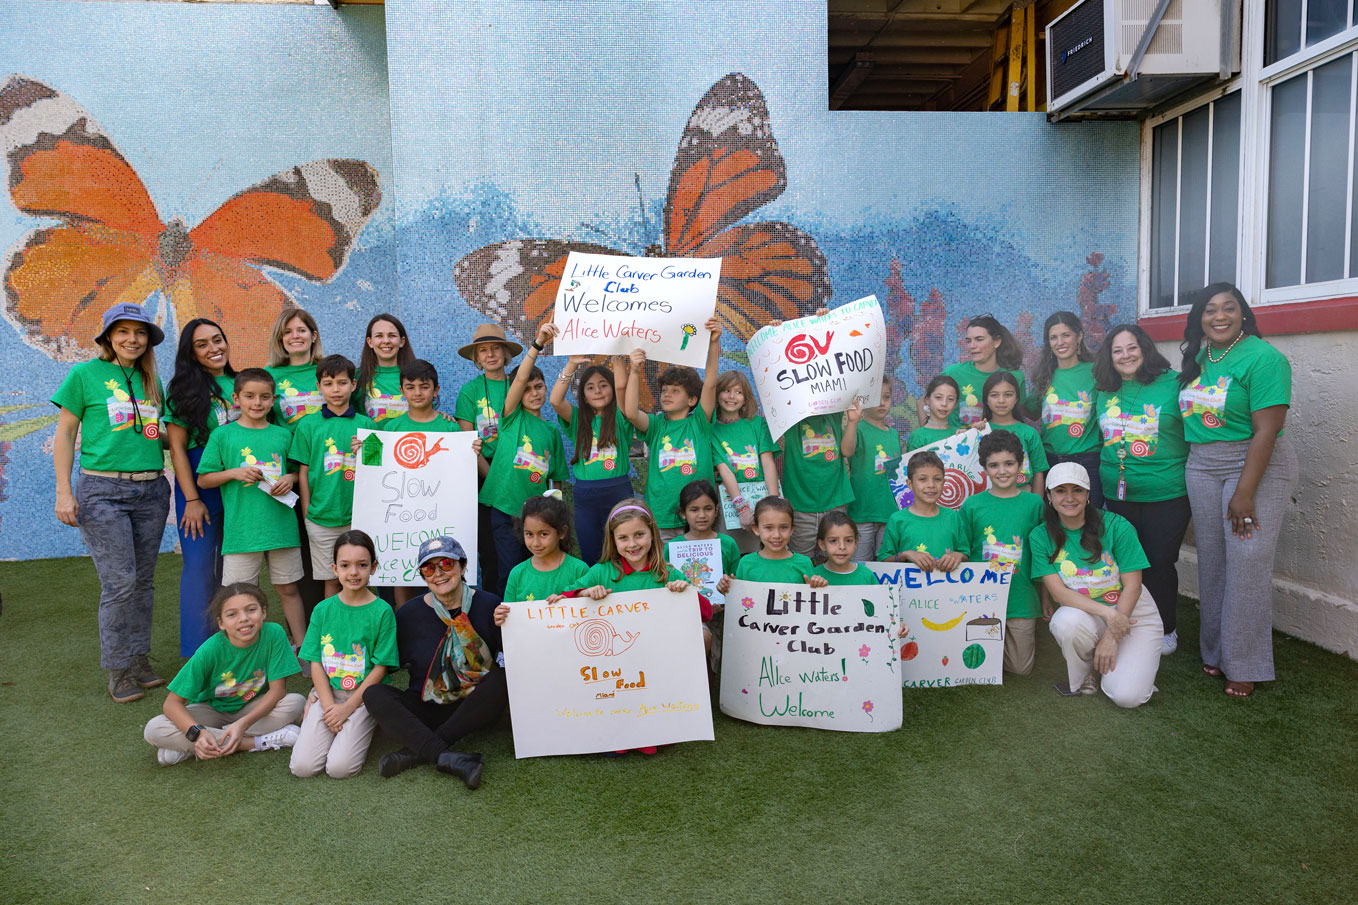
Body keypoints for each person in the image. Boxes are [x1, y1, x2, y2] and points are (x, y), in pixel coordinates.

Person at [1178, 283, 1296, 697]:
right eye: (1210, 310)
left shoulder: (1264, 358)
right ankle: (1215, 651)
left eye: (1229, 308)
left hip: (1253, 465)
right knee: (1213, 559)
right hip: (1203, 466)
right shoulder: (1198, 357)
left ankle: (1244, 662)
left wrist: (1244, 493)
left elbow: (1268, 430)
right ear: (1200, 319)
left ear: (1243, 313)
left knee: (1247, 559)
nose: (1219, 316)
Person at [52, 302, 172, 702]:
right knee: (119, 582)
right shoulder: (85, 374)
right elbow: (66, 433)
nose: (132, 340)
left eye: (139, 333)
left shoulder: (152, 381)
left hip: (152, 490)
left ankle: (139, 658)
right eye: (123, 332)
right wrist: (64, 491)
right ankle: (118, 669)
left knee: (144, 581)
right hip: (103, 491)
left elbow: (169, 436)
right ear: (108, 337)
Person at [365, 536, 503, 786]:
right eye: (429, 568)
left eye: (447, 564)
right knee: (374, 693)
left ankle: (414, 753)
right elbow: (385, 663)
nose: (438, 574)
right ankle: (446, 756)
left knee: (501, 680)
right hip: (426, 704)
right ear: (422, 575)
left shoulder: (489, 605)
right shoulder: (408, 614)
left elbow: (516, 655)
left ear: (463, 565)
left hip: (472, 705)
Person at [1030, 462, 1161, 707]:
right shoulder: (1040, 535)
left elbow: (1133, 587)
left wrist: (1112, 635)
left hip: (1132, 612)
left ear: (1088, 495)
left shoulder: (1116, 526)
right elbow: (1059, 593)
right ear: (1048, 496)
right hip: (1088, 612)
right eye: (1060, 491)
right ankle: (1088, 671)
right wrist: (1108, 616)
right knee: (1064, 622)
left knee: (1127, 697)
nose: (1069, 498)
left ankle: (1121, 664)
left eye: (1077, 490)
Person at [1094, 323, 1190, 655]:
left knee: (1159, 561)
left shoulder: (1173, 385)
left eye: (1131, 347)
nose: (1125, 355)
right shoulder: (1104, 390)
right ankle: (1128, 623)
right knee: (1125, 563)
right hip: (1117, 493)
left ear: (1145, 348)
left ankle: (1166, 629)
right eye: (1117, 350)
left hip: (1167, 492)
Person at [196, 368, 307, 649]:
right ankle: (239, 653)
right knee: (238, 597)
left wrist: (290, 478)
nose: (257, 403)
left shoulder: (283, 435)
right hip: (242, 532)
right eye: (249, 396)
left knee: (289, 590)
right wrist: (234, 473)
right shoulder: (223, 436)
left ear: (273, 400)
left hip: (281, 528)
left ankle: (306, 651)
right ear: (236, 398)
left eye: (264, 397)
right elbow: (204, 479)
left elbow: (297, 472)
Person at [142, 583, 304, 764]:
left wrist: (243, 724)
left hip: (252, 707)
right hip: (212, 709)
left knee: (295, 703)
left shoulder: (274, 633)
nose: (243, 619)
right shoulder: (209, 651)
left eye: (251, 610)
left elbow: (277, 690)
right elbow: (171, 704)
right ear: (221, 623)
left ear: (263, 612)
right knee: (154, 728)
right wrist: (199, 733)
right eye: (232, 614)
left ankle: (191, 746)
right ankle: (256, 742)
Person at [621, 318, 744, 543]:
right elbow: (630, 412)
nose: (666, 394)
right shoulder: (657, 425)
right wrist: (635, 371)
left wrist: (714, 343)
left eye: (675, 391)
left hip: (699, 520)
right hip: (661, 517)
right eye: (665, 390)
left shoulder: (699, 423)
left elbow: (709, 384)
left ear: (692, 399)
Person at [540, 499, 713, 657]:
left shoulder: (668, 574)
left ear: (652, 533)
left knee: (702, 636)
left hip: (659, 655)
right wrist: (583, 593)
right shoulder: (601, 572)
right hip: (614, 662)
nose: (632, 544)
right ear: (613, 540)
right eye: (623, 538)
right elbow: (563, 599)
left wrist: (687, 593)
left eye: (639, 534)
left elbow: (707, 613)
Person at [291, 530, 398, 779]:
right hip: (327, 693)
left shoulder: (382, 612)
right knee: (302, 767)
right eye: (345, 565)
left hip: (362, 697)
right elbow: (315, 661)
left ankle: (369, 724)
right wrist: (330, 708)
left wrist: (348, 708)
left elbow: (380, 668)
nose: (353, 572)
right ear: (334, 569)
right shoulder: (322, 610)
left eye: (362, 565)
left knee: (340, 769)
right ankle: (326, 719)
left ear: (373, 567)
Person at [165, 318, 238, 656]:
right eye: (203, 344)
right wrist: (191, 498)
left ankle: (233, 642)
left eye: (218, 339)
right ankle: (197, 650)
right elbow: (177, 448)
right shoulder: (182, 390)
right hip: (199, 486)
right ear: (191, 353)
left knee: (232, 565)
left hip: (239, 486)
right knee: (198, 566)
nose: (214, 348)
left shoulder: (241, 384)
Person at [478, 322, 568, 595]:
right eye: (527, 389)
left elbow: (558, 482)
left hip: (538, 520)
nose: (534, 393)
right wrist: (538, 344)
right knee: (509, 573)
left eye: (539, 387)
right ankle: (508, 631)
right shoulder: (510, 417)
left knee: (538, 573)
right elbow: (518, 379)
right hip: (505, 512)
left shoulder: (552, 432)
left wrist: (554, 515)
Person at [288, 355, 376, 599]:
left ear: (353, 384)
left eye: (342, 382)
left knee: (363, 579)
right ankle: (332, 632)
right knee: (331, 581)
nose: (336, 389)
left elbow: (376, 468)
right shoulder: (307, 425)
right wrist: (307, 512)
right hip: (320, 518)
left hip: (359, 516)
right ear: (319, 387)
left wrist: (366, 451)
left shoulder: (367, 424)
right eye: (328, 383)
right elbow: (303, 472)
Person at [959, 430, 1046, 675]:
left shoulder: (1034, 504)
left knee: (1021, 669)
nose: (1002, 471)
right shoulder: (972, 505)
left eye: (1009, 464)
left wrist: (1045, 597)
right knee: (980, 663)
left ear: (1020, 464)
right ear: (984, 468)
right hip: (981, 597)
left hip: (1021, 599)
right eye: (994, 465)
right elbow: (963, 550)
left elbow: (1044, 557)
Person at [265, 307, 326, 612]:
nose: (295, 336)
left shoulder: (329, 370)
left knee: (334, 553)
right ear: (280, 339)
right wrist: (286, 474)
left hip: (333, 476)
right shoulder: (270, 377)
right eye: (287, 332)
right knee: (301, 556)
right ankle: (305, 634)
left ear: (313, 335)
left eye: (301, 330)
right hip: (289, 479)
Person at [455, 323, 524, 595]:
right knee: (492, 555)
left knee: (524, 548)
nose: (490, 354)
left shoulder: (518, 385)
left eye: (496, 348)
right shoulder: (469, 392)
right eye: (483, 350)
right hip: (484, 478)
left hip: (518, 474)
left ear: (506, 354)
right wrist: (494, 480)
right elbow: (466, 441)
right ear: (476, 358)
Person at [550, 354, 635, 565]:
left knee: (623, 550)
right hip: (585, 496)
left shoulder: (621, 416)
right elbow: (555, 400)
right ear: (583, 395)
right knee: (591, 552)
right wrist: (571, 364)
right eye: (590, 387)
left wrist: (617, 359)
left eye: (603, 385)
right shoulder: (578, 419)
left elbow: (623, 388)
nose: (597, 391)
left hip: (618, 491)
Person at [1032, 311, 1103, 506]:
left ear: (1079, 336)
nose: (1060, 342)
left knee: (1089, 524)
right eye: (1053, 337)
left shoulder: (1096, 371)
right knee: (1054, 524)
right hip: (1051, 461)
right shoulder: (1044, 375)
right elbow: (1029, 411)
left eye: (1066, 335)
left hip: (1088, 462)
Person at [711, 370, 780, 554]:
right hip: (731, 502)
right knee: (733, 554)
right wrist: (741, 507)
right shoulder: (712, 430)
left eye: (738, 392)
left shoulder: (757, 424)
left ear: (745, 397)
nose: (732, 397)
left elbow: (767, 463)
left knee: (769, 551)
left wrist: (774, 503)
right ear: (717, 395)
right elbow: (724, 470)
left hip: (763, 497)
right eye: (726, 390)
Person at [842, 377, 902, 561]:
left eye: (886, 397)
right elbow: (846, 450)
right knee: (861, 565)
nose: (882, 403)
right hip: (862, 512)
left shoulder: (893, 434)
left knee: (887, 565)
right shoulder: (857, 428)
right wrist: (852, 423)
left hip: (889, 513)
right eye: (876, 398)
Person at [876, 451, 966, 571]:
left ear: (944, 483)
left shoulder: (953, 517)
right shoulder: (897, 520)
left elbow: (965, 553)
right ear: (910, 484)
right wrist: (905, 554)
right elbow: (883, 560)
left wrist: (957, 555)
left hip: (948, 587)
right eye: (922, 479)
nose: (931, 485)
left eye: (937, 479)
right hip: (910, 588)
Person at [937, 315, 1026, 428]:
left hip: (999, 443)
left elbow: (1019, 415)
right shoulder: (953, 373)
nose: (972, 346)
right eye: (969, 341)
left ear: (997, 342)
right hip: (959, 444)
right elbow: (924, 402)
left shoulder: (1015, 376)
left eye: (979, 339)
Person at [502, 494, 588, 602]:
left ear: (562, 532)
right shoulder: (517, 574)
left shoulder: (579, 570)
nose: (535, 543)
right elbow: (510, 613)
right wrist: (502, 616)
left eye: (543, 534)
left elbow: (589, 611)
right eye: (529, 534)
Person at [735, 496, 829, 587]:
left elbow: (811, 598)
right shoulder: (746, 563)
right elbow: (738, 597)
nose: (777, 535)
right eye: (769, 528)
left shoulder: (804, 563)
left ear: (792, 529)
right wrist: (728, 589)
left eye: (783, 527)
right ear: (756, 529)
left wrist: (818, 586)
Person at [981, 371, 1047, 495]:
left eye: (1008, 395)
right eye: (994, 395)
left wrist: (1037, 504)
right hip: (988, 496)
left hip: (1024, 495)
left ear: (1017, 398)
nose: (1001, 400)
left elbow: (1039, 472)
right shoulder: (979, 432)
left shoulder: (1029, 433)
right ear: (986, 399)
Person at [354, 313, 415, 424]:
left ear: (402, 341)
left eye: (392, 335)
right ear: (370, 342)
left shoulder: (416, 375)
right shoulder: (358, 377)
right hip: (371, 441)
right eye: (379, 336)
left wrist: (440, 417)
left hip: (408, 440)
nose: (386, 341)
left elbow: (427, 414)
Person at [810, 511, 877, 585]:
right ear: (822, 544)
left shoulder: (867, 576)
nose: (842, 547)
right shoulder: (814, 576)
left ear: (856, 543)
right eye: (833, 541)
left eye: (848, 540)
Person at [906, 375, 961, 451]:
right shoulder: (918, 436)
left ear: (955, 404)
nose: (944, 404)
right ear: (927, 400)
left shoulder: (959, 434)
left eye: (950, 399)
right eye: (938, 397)